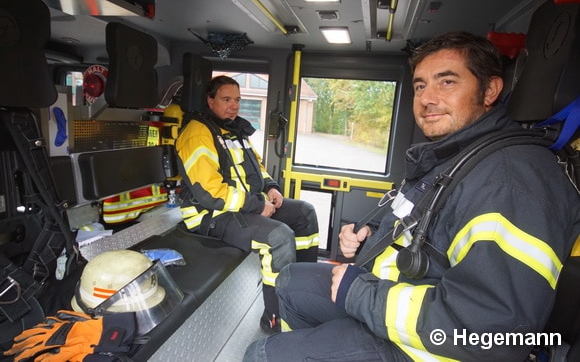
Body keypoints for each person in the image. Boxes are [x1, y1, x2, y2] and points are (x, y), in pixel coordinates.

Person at [243, 31, 580, 360]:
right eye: (421, 85)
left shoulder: (509, 183)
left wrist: (359, 294)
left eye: (447, 82)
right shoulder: (459, 156)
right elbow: (430, 234)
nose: (427, 98)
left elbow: (490, 333)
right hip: (396, 299)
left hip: (429, 349)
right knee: (289, 280)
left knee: (259, 353)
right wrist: (369, 240)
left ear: (490, 89)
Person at [175, 75, 319, 333]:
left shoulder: (234, 131)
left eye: (238, 100)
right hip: (211, 215)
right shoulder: (197, 132)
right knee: (279, 236)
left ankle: (304, 293)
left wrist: (270, 187)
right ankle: (277, 317)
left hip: (243, 206)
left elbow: (257, 169)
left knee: (305, 213)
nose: (234, 106)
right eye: (226, 99)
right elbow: (210, 192)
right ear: (210, 100)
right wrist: (257, 205)